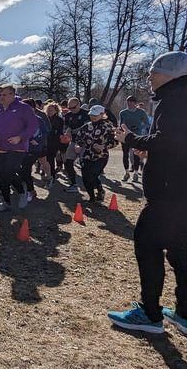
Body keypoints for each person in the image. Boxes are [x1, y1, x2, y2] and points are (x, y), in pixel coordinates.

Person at [109, 51, 187, 334]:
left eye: (153, 73)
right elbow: (173, 144)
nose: (150, 79)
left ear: (170, 74)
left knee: (147, 244)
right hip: (179, 192)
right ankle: (184, 313)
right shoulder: (177, 98)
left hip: (168, 193)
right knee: (180, 251)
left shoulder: (176, 100)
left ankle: (150, 314)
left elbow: (169, 141)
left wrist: (130, 138)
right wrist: (149, 148)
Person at [0, 86, 38, 212]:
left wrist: (20, 137)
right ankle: (6, 202)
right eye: (0, 94)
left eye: (4, 95)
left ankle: (22, 191)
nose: (1, 97)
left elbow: (32, 126)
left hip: (18, 147)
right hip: (0, 147)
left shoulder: (23, 108)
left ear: (12, 94)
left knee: (9, 171)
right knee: (1, 175)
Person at [72, 105, 116, 202]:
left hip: (101, 156)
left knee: (93, 175)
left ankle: (100, 191)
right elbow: (79, 139)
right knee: (85, 177)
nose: (92, 117)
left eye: (95, 115)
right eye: (91, 115)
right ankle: (91, 197)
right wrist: (78, 146)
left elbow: (115, 141)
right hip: (87, 155)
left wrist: (103, 147)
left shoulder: (108, 126)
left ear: (102, 114)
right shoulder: (86, 126)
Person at [19, 99, 49, 202]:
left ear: (32, 108)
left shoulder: (38, 119)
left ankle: (31, 191)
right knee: (20, 169)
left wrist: (38, 141)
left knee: (25, 169)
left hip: (34, 149)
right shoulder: (20, 120)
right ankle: (24, 188)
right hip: (21, 149)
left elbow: (45, 132)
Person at [119, 96, 150, 182]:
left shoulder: (141, 112)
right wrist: (121, 130)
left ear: (135, 103)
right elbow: (121, 124)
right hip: (126, 136)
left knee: (136, 154)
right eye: (127, 102)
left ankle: (136, 173)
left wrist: (140, 127)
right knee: (125, 154)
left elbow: (147, 124)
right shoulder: (123, 112)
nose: (129, 104)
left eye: (131, 102)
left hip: (137, 136)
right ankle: (126, 172)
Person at [63, 97, 90, 193]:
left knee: (86, 165)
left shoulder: (86, 114)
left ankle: (92, 185)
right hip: (74, 142)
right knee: (67, 162)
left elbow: (88, 127)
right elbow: (65, 127)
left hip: (86, 143)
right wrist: (67, 132)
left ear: (78, 105)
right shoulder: (68, 115)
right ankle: (73, 183)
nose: (71, 110)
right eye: (69, 108)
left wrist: (74, 130)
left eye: (73, 107)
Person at [45, 102, 65, 188]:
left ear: (56, 110)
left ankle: (52, 176)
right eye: (48, 110)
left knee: (50, 159)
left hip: (54, 142)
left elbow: (59, 132)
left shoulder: (59, 120)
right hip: (45, 142)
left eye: (51, 110)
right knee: (46, 160)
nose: (49, 111)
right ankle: (49, 174)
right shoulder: (45, 118)